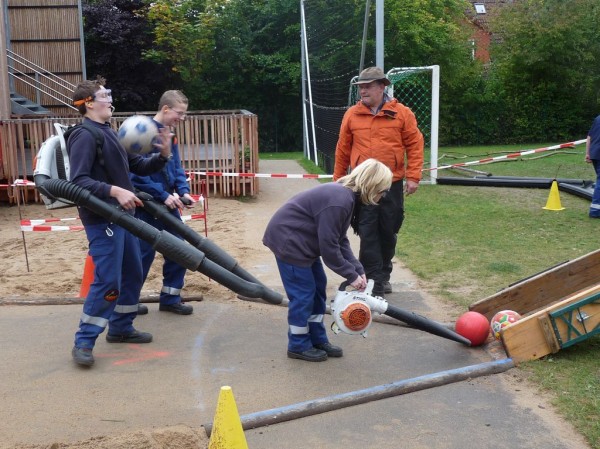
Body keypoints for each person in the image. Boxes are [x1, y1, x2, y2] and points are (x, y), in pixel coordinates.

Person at [69, 76, 172, 367]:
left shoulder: (110, 132)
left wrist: (163, 155)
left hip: (124, 217)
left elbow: (137, 166)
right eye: (104, 95)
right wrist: (114, 191)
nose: (110, 99)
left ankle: (121, 327)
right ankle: (84, 341)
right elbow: (78, 181)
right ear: (89, 104)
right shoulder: (84, 135)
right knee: (108, 280)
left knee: (132, 272)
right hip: (103, 220)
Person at [263, 159, 393, 362]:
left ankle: (317, 338)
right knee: (303, 295)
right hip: (290, 244)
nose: (382, 196)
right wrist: (351, 276)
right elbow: (329, 248)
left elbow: (340, 239)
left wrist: (357, 269)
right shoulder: (340, 201)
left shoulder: (346, 197)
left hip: (304, 245)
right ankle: (298, 344)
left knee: (317, 290)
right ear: (372, 186)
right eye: (382, 191)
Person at [333, 66, 424, 298]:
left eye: (368, 86)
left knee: (388, 230)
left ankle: (383, 275)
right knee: (367, 231)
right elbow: (342, 149)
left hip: (392, 183)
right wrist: (338, 180)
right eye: (361, 87)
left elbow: (415, 144)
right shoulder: (352, 115)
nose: (363, 91)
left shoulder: (402, 113)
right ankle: (372, 280)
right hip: (363, 185)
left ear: (382, 87)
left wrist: (413, 176)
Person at [130, 90, 195, 315]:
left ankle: (170, 298)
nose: (182, 118)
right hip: (145, 205)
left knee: (178, 251)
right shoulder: (141, 133)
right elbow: (136, 174)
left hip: (168, 205)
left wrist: (183, 191)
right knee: (141, 255)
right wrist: (162, 195)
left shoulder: (170, 135)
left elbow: (176, 166)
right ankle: (129, 301)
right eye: (180, 113)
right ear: (166, 109)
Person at [585, 115, 600, 218]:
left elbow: (589, 137)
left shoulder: (598, 118)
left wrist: (588, 153)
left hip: (594, 153)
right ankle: (595, 211)